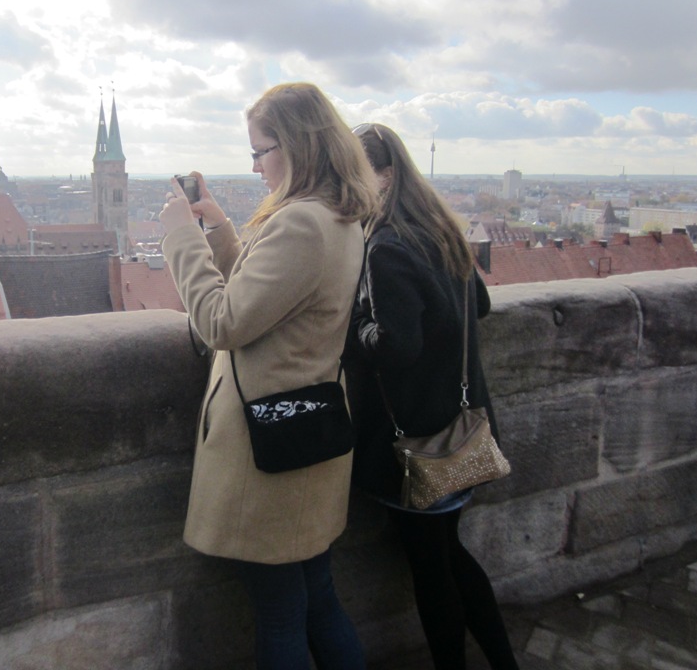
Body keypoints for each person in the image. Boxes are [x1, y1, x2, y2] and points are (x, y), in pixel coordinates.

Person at [159, 83, 376, 670]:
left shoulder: (301, 222)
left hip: (271, 451)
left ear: (297, 145)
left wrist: (179, 236)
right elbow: (273, 297)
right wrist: (221, 231)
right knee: (317, 601)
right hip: (308, 440)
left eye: (260, 151)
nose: (255, 165)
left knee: (282, 616)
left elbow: (222, 321)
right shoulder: (337, 215)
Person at [343, 122, 519, 669]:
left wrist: (357, 322)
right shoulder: (441, 229)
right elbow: (480, 307)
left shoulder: (387, 245)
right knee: (451, 556)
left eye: (355, 172)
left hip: (418, 442)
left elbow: (396, 348)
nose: (347, 184)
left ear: (386, 175)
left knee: (432, 570)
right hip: (460, 429)